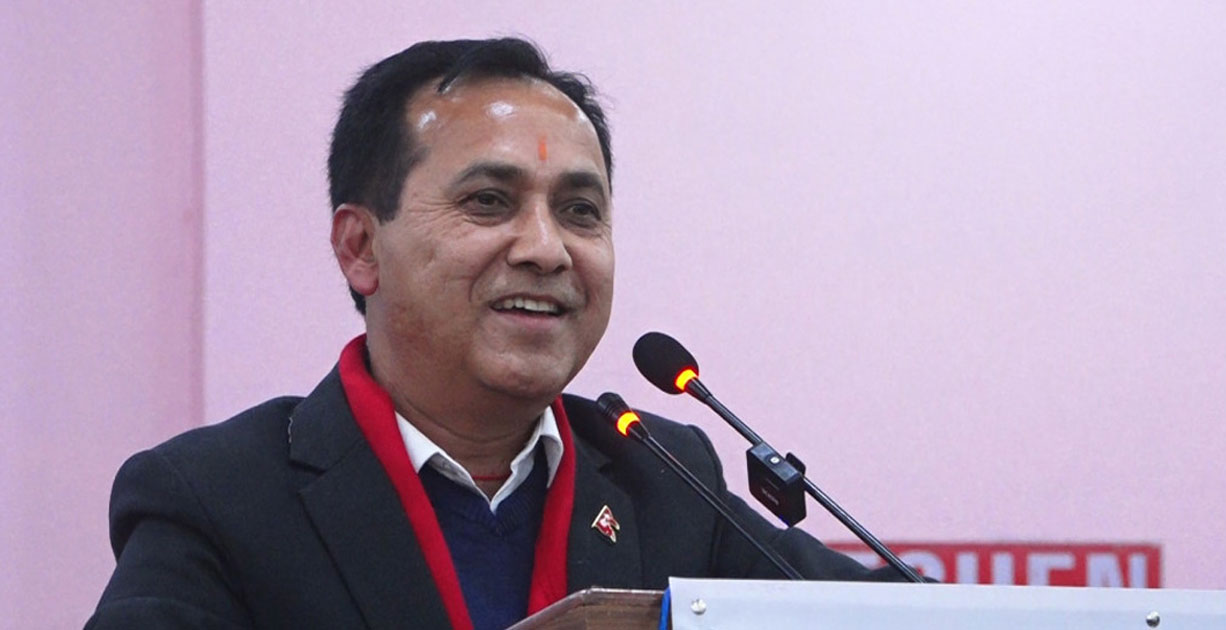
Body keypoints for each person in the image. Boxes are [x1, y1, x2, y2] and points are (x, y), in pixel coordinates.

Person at [88, 38, 902, 630]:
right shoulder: (220, 498)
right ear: (361, 247)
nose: (547, 249)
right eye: (489, 202)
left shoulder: (661, 478)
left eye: (579, 210)